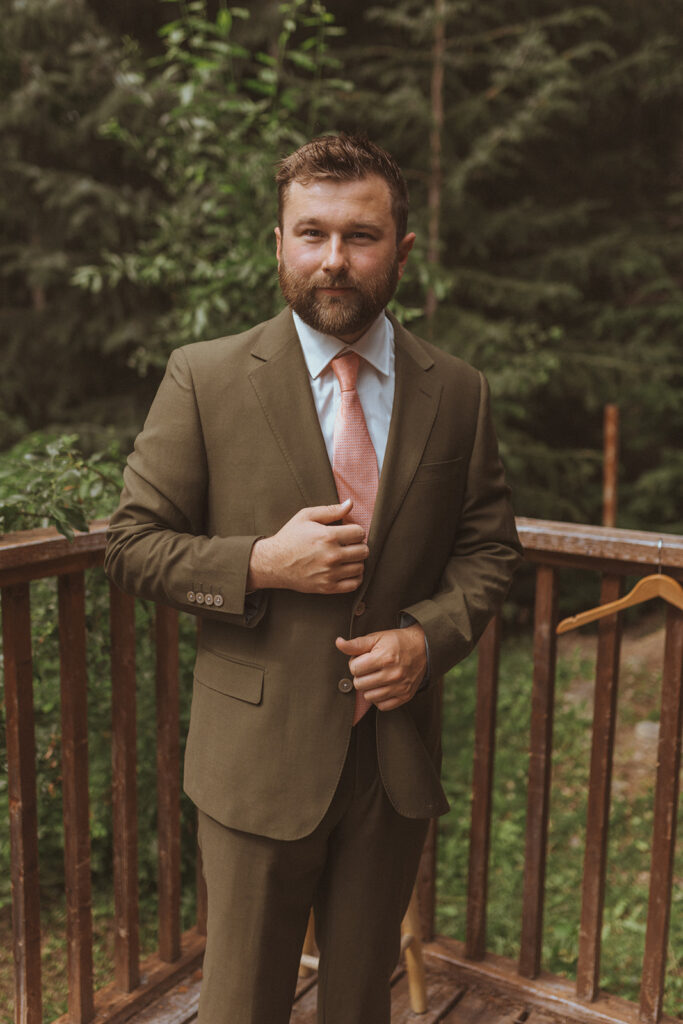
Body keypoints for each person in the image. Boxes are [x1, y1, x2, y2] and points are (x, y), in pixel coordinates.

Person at [105, 134, 522, 1024]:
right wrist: (260, 562)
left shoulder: (458, 390)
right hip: (255, 764)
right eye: (312, 233)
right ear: (280, 242)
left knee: (356, 1010)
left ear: (401, 249)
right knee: (241, 1008)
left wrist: (426, 638)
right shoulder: (205, 376)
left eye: (361, 235)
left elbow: (488, 552)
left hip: (391, 763)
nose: (334, 259)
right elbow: (132, 543)